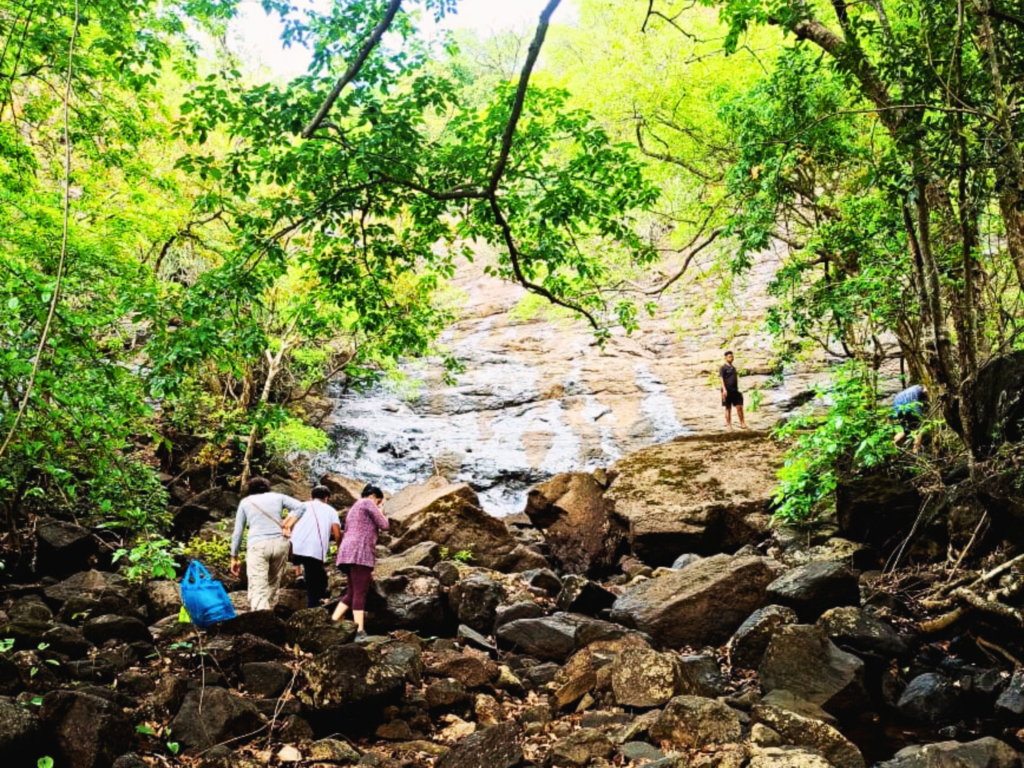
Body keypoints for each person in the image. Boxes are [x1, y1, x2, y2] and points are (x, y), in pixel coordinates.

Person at [229, 477, 303, 611]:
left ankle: (261, 617)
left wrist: (234, 556)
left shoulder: (246, 502)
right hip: (280, 544)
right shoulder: (278, 497)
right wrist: (288, 523)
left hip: (258, 545)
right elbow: (301, 507)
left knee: (258, 586)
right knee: (273, 584)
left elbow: (238, 532)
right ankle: (270, 613)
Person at [331, 484, 389, 636]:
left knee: (351, 592)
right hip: (360, 553)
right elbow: (385, 525)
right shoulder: (367, 502)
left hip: (347, 552)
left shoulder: (354, 507)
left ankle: (333, 621)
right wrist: (382, 512)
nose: (378, 505)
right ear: (373, 497)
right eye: (379, 502)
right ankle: (359, 630)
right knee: (360, 592)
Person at [283, 485, 342, 608]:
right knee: (313, 583)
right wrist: (340, 549)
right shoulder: (331, 511)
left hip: (295, 550)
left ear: (311, 496)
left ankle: (299, 577)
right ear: (326, 498)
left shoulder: (300, 506)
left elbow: (286, 524)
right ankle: (312, 609)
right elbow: (337, 534)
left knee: (319, 576)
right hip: (314, 552)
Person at [893, 384, 929, 450]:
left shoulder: (913, 389)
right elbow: (916, 406)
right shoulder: (916, 391)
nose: (926, 393)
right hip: (905, 409)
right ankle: (916, 448)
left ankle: (893, 444)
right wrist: (921, 418)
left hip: (899, 409)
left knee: (906, 430)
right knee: (920, 428)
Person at [720, 350, 748, 430]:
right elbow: (721, 379)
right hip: (727, 390)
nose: (731, 358)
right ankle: (729, 425)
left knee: (739, 407)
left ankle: (742, 423)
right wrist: (724, 390)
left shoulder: (733, 368)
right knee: (728, 408)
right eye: (729, 357)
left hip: (735, 390)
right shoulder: (723, 368)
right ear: (725, 358)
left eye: (732, 357)